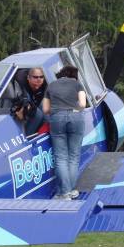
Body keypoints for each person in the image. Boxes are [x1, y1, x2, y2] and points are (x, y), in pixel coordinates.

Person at [42, 66, 87, 200]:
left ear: (60, 74)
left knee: (61, 157)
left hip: (57, 119)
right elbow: (83, 104)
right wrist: (73, 110)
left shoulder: (51, 86)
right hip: (76, 118)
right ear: (73, 75)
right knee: (74, 156)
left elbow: (45, 109)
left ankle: (64, 193)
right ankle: (71, 190)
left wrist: (59, 111)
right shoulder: (77, 84)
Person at [14, 67, 47, 136]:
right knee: (38, 114)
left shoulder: (45, 85)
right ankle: (27, 137)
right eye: (35, 77)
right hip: (23, 98)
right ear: (28, 78)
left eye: (41, 77)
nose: (39, 80)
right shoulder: (21, 83)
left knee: (45, 114)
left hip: (37, 99)